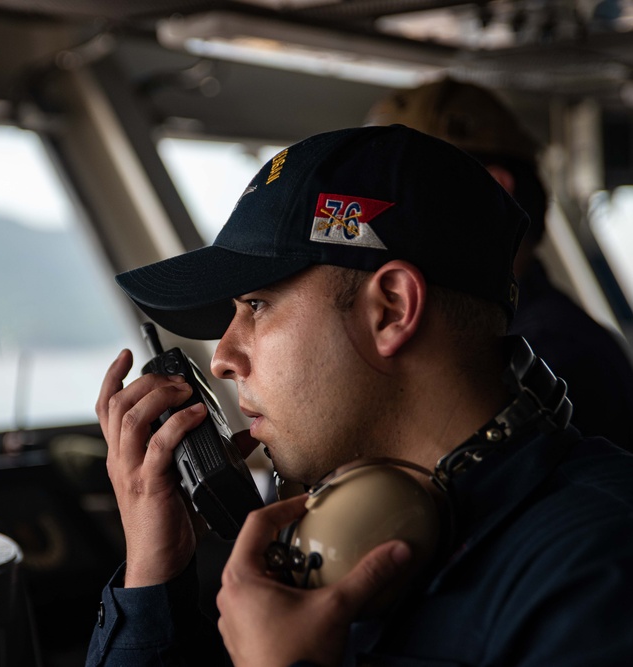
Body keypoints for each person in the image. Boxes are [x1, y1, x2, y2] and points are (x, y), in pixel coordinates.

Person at [85, 125, 633, 666]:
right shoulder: (337, 525)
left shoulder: (598, 571)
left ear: (390, 310)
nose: (223, 358)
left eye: (257, 306)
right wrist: (153, 576)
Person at [366, 78, 633, 451]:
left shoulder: (547, 354)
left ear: (491, 189)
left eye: (407, 187)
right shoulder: (502, 339)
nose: (384, 213)